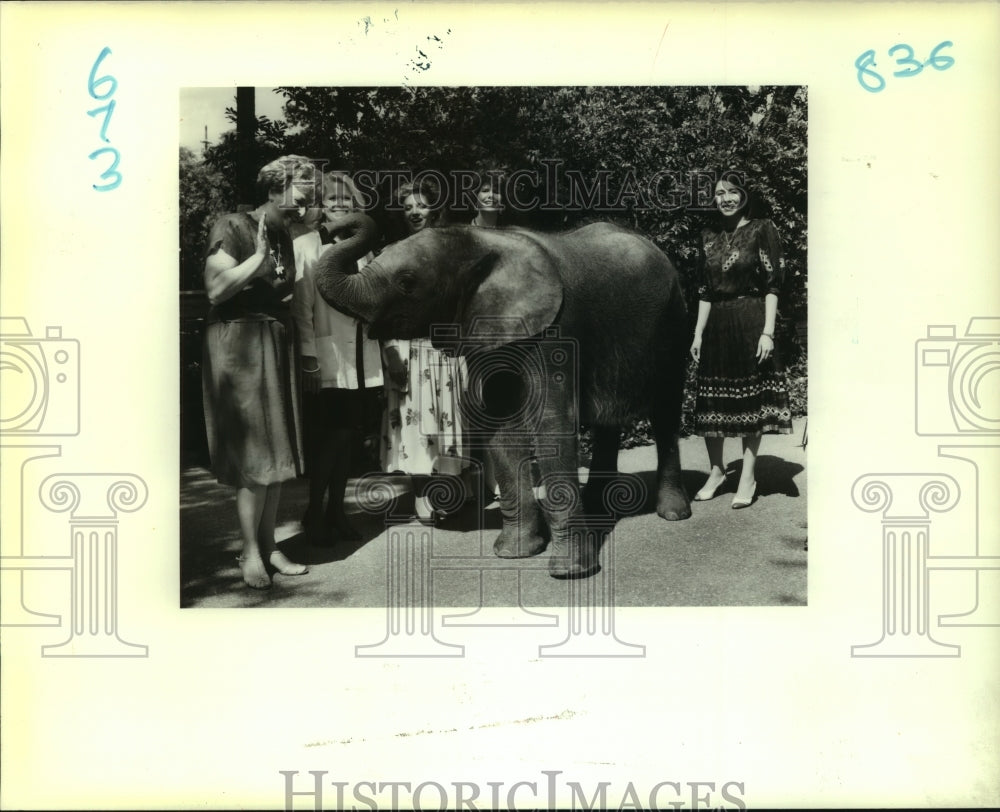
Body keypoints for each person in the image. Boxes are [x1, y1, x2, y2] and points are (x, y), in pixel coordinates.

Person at [201, 155, 314, 588]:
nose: (305, 206)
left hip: (273, 343)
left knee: (276, 451)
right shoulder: (232, 225)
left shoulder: (286, 233)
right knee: (253, 456)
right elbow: (215, 289)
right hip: (238, 345)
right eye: (300, 196)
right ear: (275, 189)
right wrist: (260, 256)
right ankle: (249, 551)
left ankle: (269, 546)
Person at [689, 171, 794, 509]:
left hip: (749, 320)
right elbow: (704, 291)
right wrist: (698, 334)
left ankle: (748, 475)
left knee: (751, 402)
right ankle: (717, 471)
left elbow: (772, 285)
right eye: (720, 193)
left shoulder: (762, 229)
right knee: (711, 402)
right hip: (717, 325)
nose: (726, 199)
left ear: (745, 196)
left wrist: (767, 332)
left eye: (733, 192)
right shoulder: (708, 237)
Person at [292, 172, 384, 545]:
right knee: (329, 437)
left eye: (346, 201)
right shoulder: (306, 247)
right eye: (332, 201)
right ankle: (315, 512)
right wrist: (309, 358)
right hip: (327, 355)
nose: (340, 206)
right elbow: (302, 307)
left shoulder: (365, 249)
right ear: (320, 207)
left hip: (360, 356)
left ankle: (337, 512)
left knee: (347, 437)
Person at [381, 179, 467, 523]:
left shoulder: (450, 249)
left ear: (434, 208)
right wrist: (390, 350)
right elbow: (381, 309)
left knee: (445, 424)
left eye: (421, 205)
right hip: (408, 347)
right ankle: (419, 496)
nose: (415, 212)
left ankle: (442, 491)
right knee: (415, 426)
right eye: (407, 207)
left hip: (444, 347)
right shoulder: (392, 252)